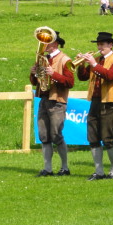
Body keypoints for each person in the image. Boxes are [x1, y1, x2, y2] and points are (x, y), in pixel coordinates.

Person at [76, 32, 113, 180]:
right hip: (95, 100)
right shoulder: (96, 60)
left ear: (111, 45)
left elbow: (110, 76)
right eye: (98, 44)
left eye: (102, 44)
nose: (99, 47)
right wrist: (81, 64)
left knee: (107, 137)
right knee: (93, 137)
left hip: (110, 101)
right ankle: (99, 171)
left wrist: (94, 64)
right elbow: (83, 77)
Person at [30, 31, 73, 177]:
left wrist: (53, 74)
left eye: (47, 42)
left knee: (56, 134)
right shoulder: (43, 59)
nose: (44, 45)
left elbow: (70, 82)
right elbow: (35, 82)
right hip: (44, 99)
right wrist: (33, 73)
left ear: (55, 44)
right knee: (44, 135)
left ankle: (65, 167)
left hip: (57, 101)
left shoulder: (65, 60)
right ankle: (47, 168)